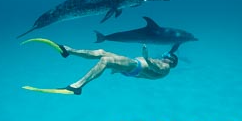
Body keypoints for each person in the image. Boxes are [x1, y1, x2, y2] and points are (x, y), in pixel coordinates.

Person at [22, 38, 178, 95]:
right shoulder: (163, 63)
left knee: (106, 61)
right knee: (102, 52)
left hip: (135, 66)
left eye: (168, 57)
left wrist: (145, 56)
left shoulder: (166, 68)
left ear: (171, 61)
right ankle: (68, 50)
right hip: (132, 66)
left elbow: (153, 69)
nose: (165, 56)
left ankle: (77, 86)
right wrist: (121, 69)